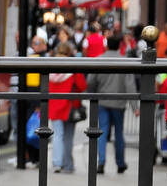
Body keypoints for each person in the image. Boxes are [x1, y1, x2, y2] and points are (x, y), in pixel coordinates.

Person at [87, 34, 138, 174]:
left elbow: (91, 81)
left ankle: (101, 162)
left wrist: (91, 93)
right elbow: (130, 85)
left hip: (102, 100)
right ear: (120, 45)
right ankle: (120, 163)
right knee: (119, 133)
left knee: (102, 131)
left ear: (107, 45)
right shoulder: (125, 62)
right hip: (119, 102)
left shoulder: (98, 60)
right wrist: (135, 106)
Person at [48, 42, 86, 174]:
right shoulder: (73, 68)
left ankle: (56, 163)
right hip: (70, 106)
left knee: (57, 135)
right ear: (70, 53)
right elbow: (82, 86)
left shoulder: (50, 66)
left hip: (54, 105)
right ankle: (68, 164)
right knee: (68, 137)